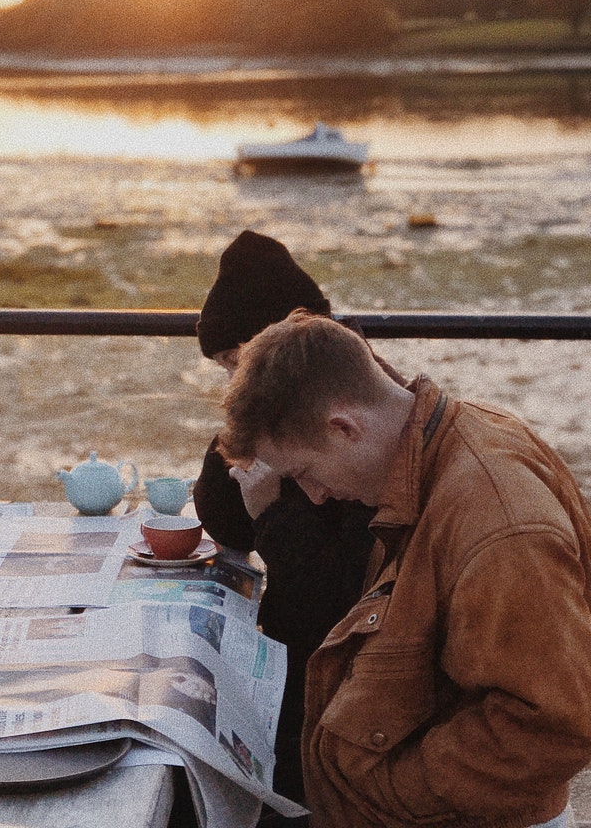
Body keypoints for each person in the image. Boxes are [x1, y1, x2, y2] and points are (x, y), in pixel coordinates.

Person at [218, 310, 591, 828]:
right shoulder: (441, 444)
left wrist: (390, 791)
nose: (316, 495)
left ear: (344, 427)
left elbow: (553, 724)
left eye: (304, 472)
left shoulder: (501, 525)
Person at [191, 230, 376, 810]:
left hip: (344, 693)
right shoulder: (295, 410)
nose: (229, 380)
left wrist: (269, 509)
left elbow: (319, 607)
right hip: (324, 671)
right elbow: (223, 519)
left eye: (233, 364)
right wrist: (243, 436)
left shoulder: (342, 427)